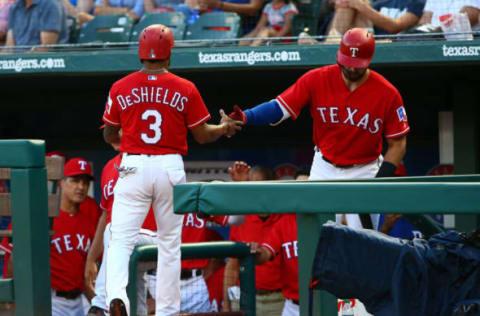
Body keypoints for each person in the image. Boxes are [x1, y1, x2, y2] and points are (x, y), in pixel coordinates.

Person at [101, 24, 243, 316]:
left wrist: (126, 138)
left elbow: (108, 134)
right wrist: (224, 128)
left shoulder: (120, 86)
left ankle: (117, 297)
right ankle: (167, 311)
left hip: (133, 165)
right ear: (169, 53)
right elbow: (203, 135)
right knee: (169, 244)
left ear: (141, 51)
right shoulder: (184, 87)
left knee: (119, 238)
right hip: (169, 166)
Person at [227, 28, 409, 230]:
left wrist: (378, 182)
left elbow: (398, 144)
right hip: (325, 165)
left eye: (358, 65)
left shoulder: (387, 93)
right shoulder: (317, 79)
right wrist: (246, 116)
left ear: (369, 61)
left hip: (364, 169)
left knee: (363, 238)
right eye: (347, 62)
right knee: (317, 232)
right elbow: (279, 108)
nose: (352, 69)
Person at [85, 153, 158, 316]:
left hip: (154, 239)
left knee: (115, 231)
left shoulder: (154, 160)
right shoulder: (109, 167)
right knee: (134, 282)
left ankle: (100, 305)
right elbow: (104, 217)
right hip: (126, 246)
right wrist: (91, 258)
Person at [223, 162, 285, 316]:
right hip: (246, 297)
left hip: (279, 299)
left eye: (261, 185)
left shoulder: (284, 218)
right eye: (253, 186)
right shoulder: (242, 219)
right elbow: (232, 267)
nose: (257, 191)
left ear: (272, 187)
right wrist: (226, 306)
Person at [246, 170, 308, 316]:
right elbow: (266, 253)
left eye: (307, 186)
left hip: (322, 303)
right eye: (298, 187)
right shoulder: (284, 222)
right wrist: (255, 253)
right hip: (292, 306)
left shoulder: (328, 219)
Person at [333, 0, 426, 35]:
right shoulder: (382, 3)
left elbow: (395, 27)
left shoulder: (419, 3)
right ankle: (333, 40)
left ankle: (333, 41)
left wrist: (360, 5)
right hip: (367, 40)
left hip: (393, 44)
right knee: (346, 6)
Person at [198, 0, 264, 34]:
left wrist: (219, 5)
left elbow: (254, 9)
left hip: (241, 32)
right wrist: (202, 9)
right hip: (211, 29)